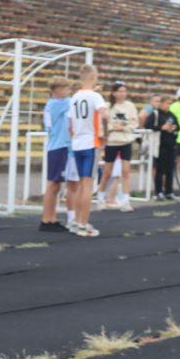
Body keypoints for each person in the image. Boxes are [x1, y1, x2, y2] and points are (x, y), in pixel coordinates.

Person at [68, 65, 106, 237]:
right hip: (91, 142)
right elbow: (104, 115)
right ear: (93, 77)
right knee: (87, 185)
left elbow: (70, 126)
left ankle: (77, 221)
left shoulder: (75, 96)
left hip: (77, 143)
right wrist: (104, 134)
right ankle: (83, 224)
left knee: (80, 185)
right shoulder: (96, 96)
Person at [97, 81, 138, 212]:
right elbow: (102, 123)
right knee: (107, 172)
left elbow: (134, 122)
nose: (122, 94)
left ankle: (125, 200)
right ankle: (100, 198)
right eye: (119, 91)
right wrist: (113, 127)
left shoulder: (130, 106)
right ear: (114, 93)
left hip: (125, 141)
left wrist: (124, 127)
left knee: (126, 171)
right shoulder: (107, 106)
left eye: (124, 91)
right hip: (112, 142)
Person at [39, 77, 71, 232]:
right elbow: (77, 101)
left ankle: (51, 218)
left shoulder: (54, 104)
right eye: (65, 88)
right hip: (59, 146)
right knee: (53, 184)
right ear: (56, 90)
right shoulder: (58, 104)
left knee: (56, 184)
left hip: (57, 146)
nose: (68, 91)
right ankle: (46, 219)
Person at [145, 95, 178, 201]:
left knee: (170, 170)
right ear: (162, 103)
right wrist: (161, 128)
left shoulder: (171, 114)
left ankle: (169, 191)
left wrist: (173, 128)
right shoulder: (155, 114)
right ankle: (158, 192)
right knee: (159, 170)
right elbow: (147, 126)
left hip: (171, 145)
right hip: (160, 146)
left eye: (170, 103)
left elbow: (178, 126)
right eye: (167, 103)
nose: (169, 105)